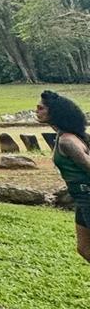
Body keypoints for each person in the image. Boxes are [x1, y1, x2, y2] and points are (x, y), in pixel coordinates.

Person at [37, 90, 90, 264]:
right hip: (81, 198)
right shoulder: (65, 136)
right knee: (84, 248)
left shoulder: (67, 141)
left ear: (56, 112)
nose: (37, 109)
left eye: (42, 108)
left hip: (87, 196)